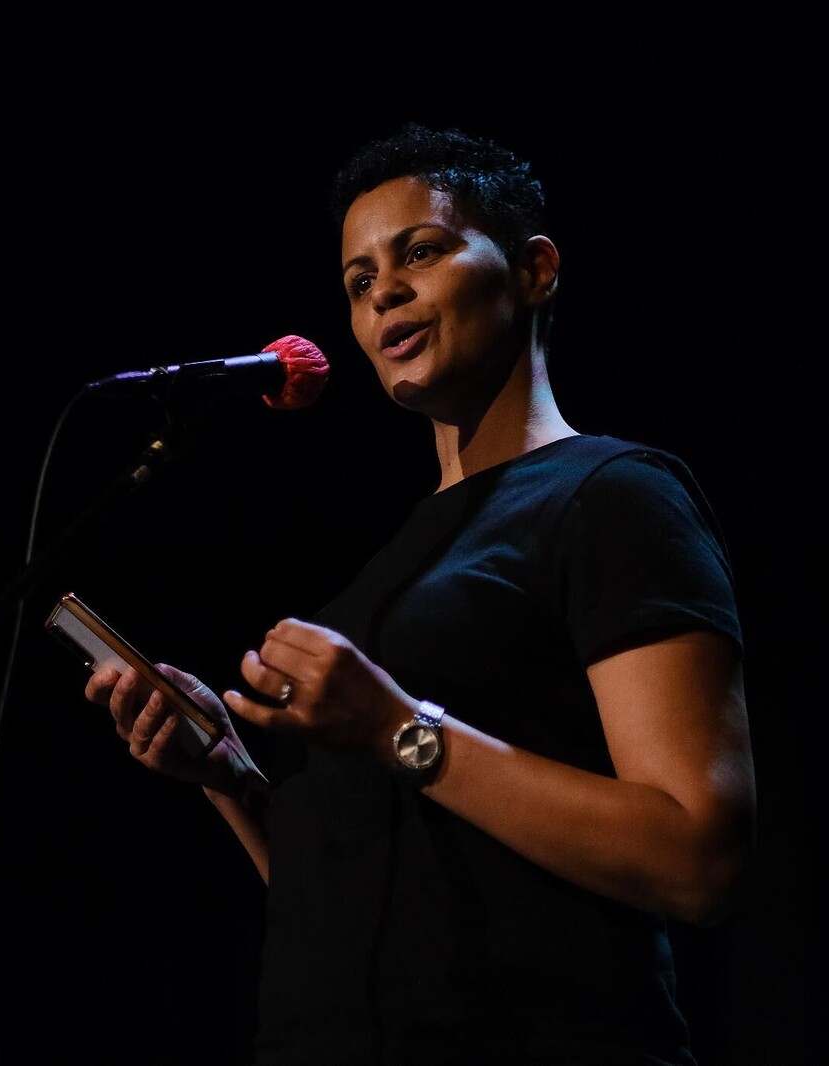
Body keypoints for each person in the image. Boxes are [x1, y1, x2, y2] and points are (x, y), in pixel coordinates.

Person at [85, 122, 756, 1066]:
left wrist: (402, 728)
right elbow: (367, 893)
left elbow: (698, 856)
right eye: (359, 281)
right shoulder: (392, 566)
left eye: (422, 252)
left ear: (535, 271)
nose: (384, 291)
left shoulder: (613, 495)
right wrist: (232, 777)